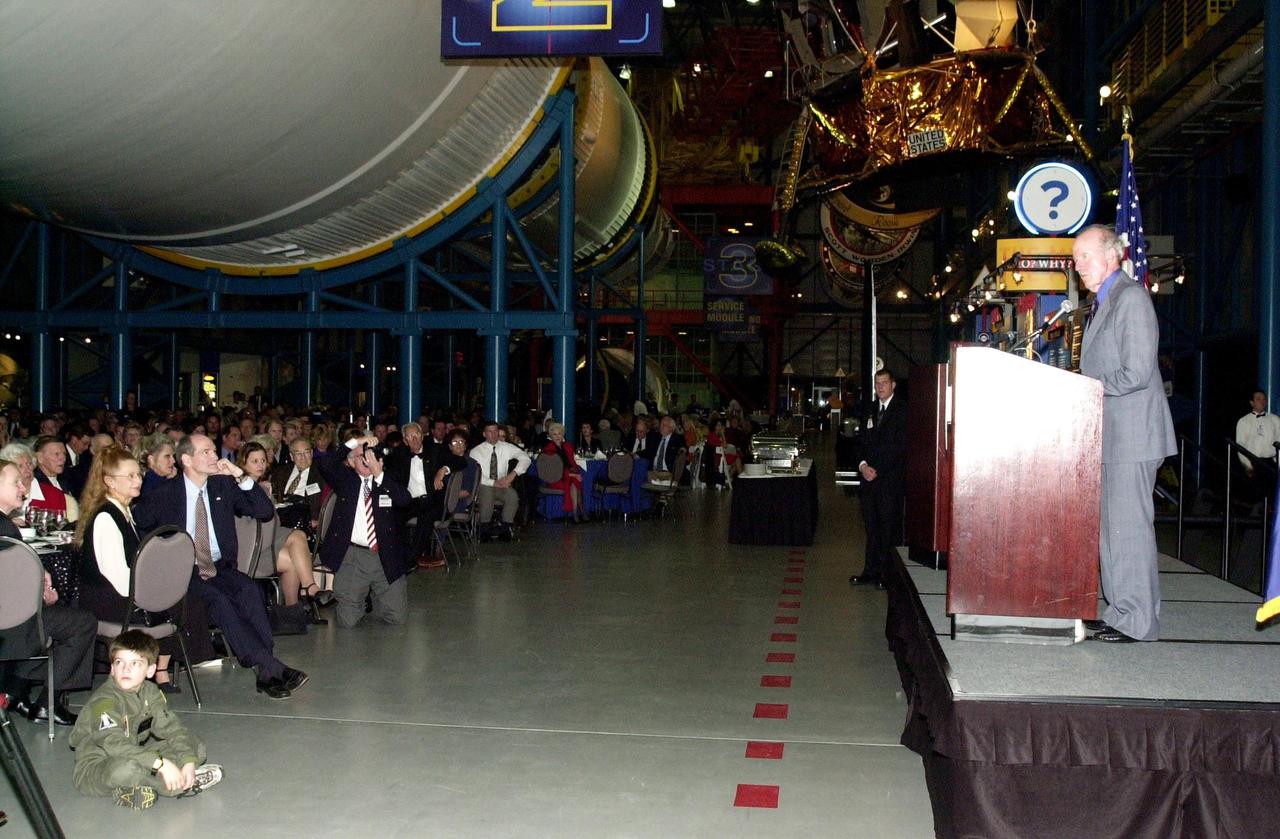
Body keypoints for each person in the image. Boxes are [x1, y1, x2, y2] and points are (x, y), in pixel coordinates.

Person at [133, 434, 307, 698]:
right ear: (187, 459)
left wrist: (239, 473)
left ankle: (267, 670)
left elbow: (264, 512)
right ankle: (270, 667)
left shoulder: (222, 486)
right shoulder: (165, 494)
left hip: (219, 566)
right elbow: (138, 527)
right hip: (183, 573)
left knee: (250, 590)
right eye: (207, 452)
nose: (215, 456)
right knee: (219, 601)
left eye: (215, 451)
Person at [1075, 224, 1177, 643]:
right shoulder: (1103, 303)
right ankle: (1120, 610)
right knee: (1112, 530)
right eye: (1075, 258)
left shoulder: (1130, 299)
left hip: (1133, 435)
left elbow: (1135, 372)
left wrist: (1086, 388)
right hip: (1113, 435)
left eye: (1085, 255)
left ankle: (1137, 620)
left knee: (1129, 529)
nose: (1077, 264)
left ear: (1113, 255)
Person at [75, 445, 216, 690]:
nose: (137, 480)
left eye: (138, 474)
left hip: (126, 593)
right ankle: (158, 672)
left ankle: (159, 671)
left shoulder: (124, 511)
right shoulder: (106, 517)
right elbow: (118, 577)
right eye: (129, 476)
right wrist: (152, 594)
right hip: (107, 599)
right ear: (109, 481)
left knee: (185, 600)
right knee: (178, 603)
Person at [69, 630, 223, 810]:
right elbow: (114, 745)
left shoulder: (150, 692)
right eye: (119, 663)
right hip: (97, 767)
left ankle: (144, 785)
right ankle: (181, 785)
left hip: (133, 754)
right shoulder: (105, 701)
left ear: (150, 670)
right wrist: (161, 764)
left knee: (195, 746)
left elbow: (173, 729)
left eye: (135, 663)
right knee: (124, 769)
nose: (126, 669)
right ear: (112, 669)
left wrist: (188, 761)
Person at [0, 458, 96, 726]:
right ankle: (47, 703)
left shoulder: (8, 526)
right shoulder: (5, 529)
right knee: (82, 623)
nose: (23, 486)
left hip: (9, 622)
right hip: (13, 626)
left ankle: (15, 692)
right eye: (15, 482)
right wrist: (42, 594)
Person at [314, 435, 411, 627]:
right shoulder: (346, 481)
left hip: (385, 555)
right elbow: (326, 463)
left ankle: (376, 595)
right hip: (353, 557)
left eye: (371, 456)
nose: (368, 460)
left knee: (398, 618)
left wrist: (379, 474)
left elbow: (405, 500)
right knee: (347, 621)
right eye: (361, 457)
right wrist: (355, 441)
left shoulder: (386, 480)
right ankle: (358, 595)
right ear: (350, 462)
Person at [237, 442, 329, 609]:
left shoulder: (261, 485)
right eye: (255, 461)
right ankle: (309, 590)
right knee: (298, 537)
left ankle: (292, 609)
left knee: (295, 553)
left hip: (268, 536)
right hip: (250, 545)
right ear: (243, 462)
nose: (260, 465)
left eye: (263, 461)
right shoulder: (240, 487)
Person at [849, 369, 907, 589]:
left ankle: (888, 574)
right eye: (877, 383)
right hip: (868, 481)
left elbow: (901, 447)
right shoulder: (870, 410)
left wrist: (878, 470)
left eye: (884, 383)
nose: (880, 387)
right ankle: (870, 571)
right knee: (871, 527)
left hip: (889, 481)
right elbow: (860, 443)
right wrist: (863, 466)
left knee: (888, 529)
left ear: (893, 385)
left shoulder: (903, 411)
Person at [385, 421, 437, 569]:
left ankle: (410, 560)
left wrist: (443, 469)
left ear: (422, 436)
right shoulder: (399, 455)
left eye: (417, 435)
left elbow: (459, 461)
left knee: (426, 517)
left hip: (432, 500)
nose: (414, 439)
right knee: (393, 515)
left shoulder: (434, 450)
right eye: (410, 436)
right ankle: (398, 555)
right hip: (410, 500)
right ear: (405, 440)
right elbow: (390, 476)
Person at [469, 420, 531, 541]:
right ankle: (484, 529)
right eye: (490, 431)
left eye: (496, 431)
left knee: (512, 496)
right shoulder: (476, 451)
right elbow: (475, 474)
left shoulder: (506, 447)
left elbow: (525, 458)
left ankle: (505, 528)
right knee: (487, 494)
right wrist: (493, 483)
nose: (494, 434)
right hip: (484, 484)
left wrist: (513, 474)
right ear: (484, 434)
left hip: (502, 484)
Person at [1235, 389, 1280, 496]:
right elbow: (1240, 444)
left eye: (1264, 399)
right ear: (1252, 402)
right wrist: (1247, 465)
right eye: (1258, 399)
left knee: (1272, 495)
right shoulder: (1244, 421)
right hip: (1253, 462)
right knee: (1254, 495)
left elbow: (1278, 441)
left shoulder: (1275, 419)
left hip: (1270, 463)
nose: (1262, 401)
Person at [541, 422, 585, 522]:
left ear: (563, 435)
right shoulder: (549, 449)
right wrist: (573, 475)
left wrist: (575, 473)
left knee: (576, 481)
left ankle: (577, 512)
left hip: (568, 475)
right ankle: (578, 512)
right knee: (574, 481)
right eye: (554, 434)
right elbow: (554, 471)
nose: (557, 436)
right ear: (551, 436)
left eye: (559, 434)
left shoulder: (568, 446)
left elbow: (573, 463)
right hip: (555, 478)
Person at [30, 434, 78, 521]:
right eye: (56, 454)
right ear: (40, 458)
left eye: (64, 454)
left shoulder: (69, 479)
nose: (63, 458)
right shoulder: (34, 484)